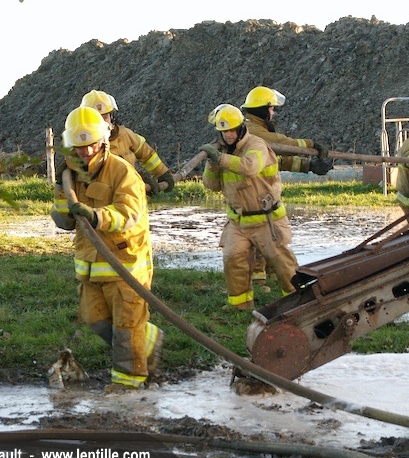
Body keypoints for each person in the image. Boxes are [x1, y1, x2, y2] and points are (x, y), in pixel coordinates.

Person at [52, 105, 163, 393]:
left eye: (91, 145)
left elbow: (129, 213)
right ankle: (146, 341)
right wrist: (62, 191)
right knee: (94, 320)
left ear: (102, 140)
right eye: (80, 147)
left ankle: (128, 386)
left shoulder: (122, 172)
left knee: (126, 327)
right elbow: (64, 221)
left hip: (124, 263)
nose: (86, 152)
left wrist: (97, 216)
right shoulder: (70, 175)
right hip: (90, 266)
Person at [199, 104, 299, 310]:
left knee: (282, 263)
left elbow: (250, 167)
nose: (228, 135)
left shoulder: (256, 144)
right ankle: (240, 306)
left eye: (232, 130)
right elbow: (212, 185)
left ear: (241, 128)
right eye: (224, 132)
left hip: (266, 219)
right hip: (238, 221)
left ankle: (299, 301)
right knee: (233, 259)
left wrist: (221, 158)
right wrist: (212, 164)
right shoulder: (223, 152)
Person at [241, 85, 333, 290]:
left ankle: (272, 278)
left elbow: (277, 160)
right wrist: (310, 145)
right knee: (259, 240)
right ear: (262, 109)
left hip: (263, 195)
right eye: (271, 108)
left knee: (272, 239)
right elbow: (282, 144)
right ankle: (258, 285)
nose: (273, 113)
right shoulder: (253, 131)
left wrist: (309, 166)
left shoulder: (254, 129)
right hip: (254, 195)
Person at [80, 89, 176, 196]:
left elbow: (147, 155)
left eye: (105, 117)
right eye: (97, 118)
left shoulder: (124, 135)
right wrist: (137, 181)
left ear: (111, 116)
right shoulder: (85, 148)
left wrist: (162, 173)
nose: (102, 122)